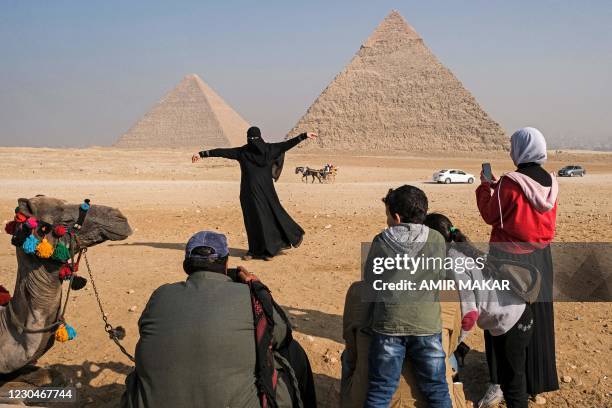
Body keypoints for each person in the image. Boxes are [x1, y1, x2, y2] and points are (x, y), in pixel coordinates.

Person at [121, 231, 316, 408]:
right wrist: (258, 288)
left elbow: (146, 331)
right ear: (225, 263)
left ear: (186, 264)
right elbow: (281, 334)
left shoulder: (161, 295)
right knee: (292, 352)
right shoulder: (248, 296)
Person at [475, 127, 559, 406]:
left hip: (508, 260)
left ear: (521, 149)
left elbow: (492, 214)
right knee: (536, 318)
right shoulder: (550, 180)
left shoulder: (510, 182)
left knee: (502, 319)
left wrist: (487, 187)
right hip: (541, 259)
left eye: (512, 146)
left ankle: (500, 382)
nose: (510, 151)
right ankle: (535, 380)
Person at [425, 213, 536, 408]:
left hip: (513, 320)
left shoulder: (453, 264)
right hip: (512, 315)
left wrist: (451, 344)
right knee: (507, 376)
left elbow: (469, 314)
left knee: (513, 383)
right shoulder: (462, 250)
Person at [362, 185, 452, 408]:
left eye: (388, 217)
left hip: (388, 324)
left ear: (396, 216)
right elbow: (440, 277)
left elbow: (371, 282)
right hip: (427, 325)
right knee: (437, 390)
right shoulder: (437, 240)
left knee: (380, 391)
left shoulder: (380, 241)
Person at [192, 127, 316, 260]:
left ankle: (269, 250)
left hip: (263, 193)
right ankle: (253, 251)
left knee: (267, 220)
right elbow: (223, 152)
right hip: (249, 194)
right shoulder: (255, 151)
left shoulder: (252, 151)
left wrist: (303, 136)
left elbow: (287, 144)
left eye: (252, 139)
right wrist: (202, 154)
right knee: (252, 222)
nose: (252, 141)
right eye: (250, 139)